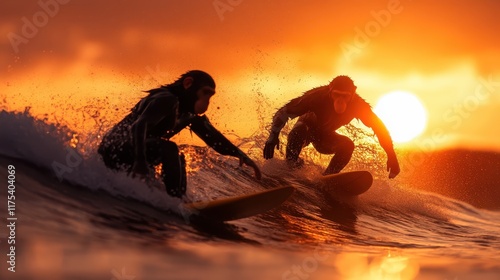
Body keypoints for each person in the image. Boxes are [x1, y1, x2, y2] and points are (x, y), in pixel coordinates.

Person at [98, 70, 261, 198]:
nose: (207, 100)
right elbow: (138, 127)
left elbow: (213, 138)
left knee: (178, 157)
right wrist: (140, 163)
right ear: (188, 84)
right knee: (168, 148)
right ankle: (175, 199)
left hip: (134, 151)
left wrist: (240, 155)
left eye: (210, 95)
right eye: (205, 93)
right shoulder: (167, 99)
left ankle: (177, 200)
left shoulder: (188, 114)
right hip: (115, 149)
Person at [263, 75, 400, 178]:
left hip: (325, 138)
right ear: (330, 90)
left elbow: (379, 128)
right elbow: (283, 113)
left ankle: (327, 178)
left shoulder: (358, 106)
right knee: (300, 129)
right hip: (303, 132)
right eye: (336, 95)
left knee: (347, 145)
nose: (340, 100)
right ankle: (290, 170)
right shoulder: (317, 96)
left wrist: (392, 156)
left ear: (353, 92)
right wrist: (273, 136)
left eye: (345, 96)